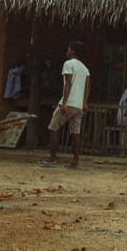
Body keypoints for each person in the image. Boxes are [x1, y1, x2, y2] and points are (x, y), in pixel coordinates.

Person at [43, 40, 90, 168]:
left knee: (53, 128)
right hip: (79, 105)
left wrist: (64, 103)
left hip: (68, 103)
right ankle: (75, 161)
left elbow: (68, 83)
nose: (67, 51)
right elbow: (87, 87)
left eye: (68, 49)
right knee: (76, 133)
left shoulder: (68, 64)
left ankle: (52, 158)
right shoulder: (85, 68)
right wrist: (84, 103)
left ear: (72, 51)